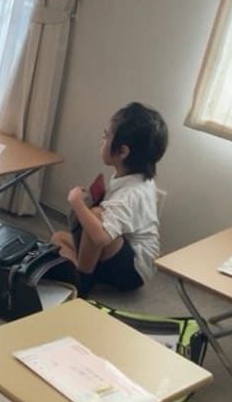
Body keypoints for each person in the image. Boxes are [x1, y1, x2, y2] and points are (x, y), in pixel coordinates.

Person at [50, 102, 169, 296]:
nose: (102, 141)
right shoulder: (136, 177)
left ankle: (82, 281)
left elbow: (101, 237)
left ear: (122, 152)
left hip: (133, 270)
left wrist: (77, 202)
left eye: (106, 136)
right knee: (58, 239)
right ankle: (86, 271)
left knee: (97, 216)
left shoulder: (131, 193)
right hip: (121, 253)